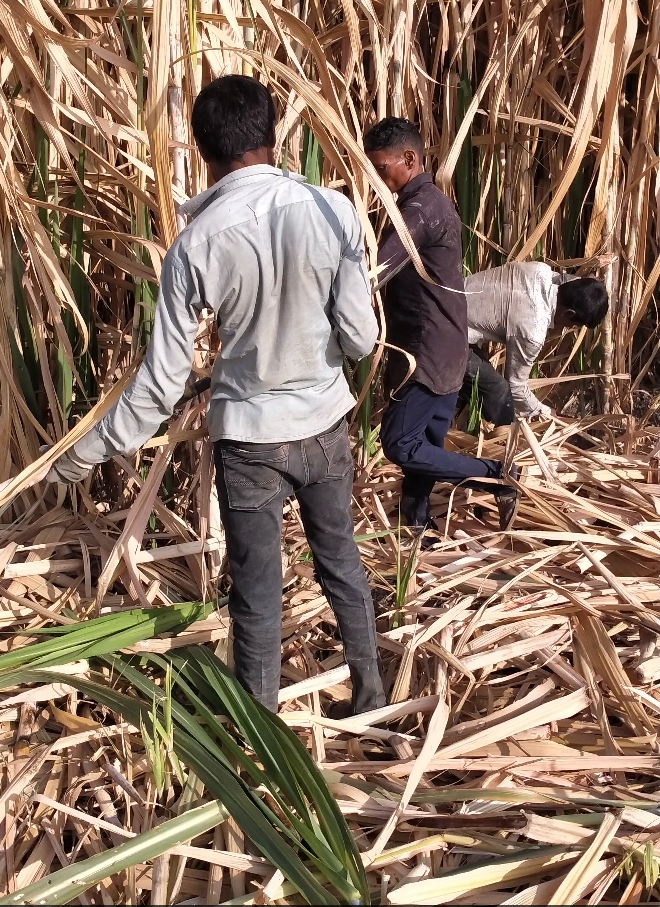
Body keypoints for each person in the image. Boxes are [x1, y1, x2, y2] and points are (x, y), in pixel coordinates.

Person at [47, 75, 385, 717]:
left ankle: (262, 737)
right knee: (341, 560)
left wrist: (78, 456)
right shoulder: (332, 211)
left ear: (204, 150)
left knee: (257, 593)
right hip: (324, 426)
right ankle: (372, 698)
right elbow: (362, 337)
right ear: (272, 134)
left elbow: (159, 385)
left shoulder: (195, 246)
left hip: (251, 442)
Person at [363, 117, 518, 535]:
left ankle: (497, 476)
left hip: (426, 351)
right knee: (426, 446)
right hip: (447, 344)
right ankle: (417, 527)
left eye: (382, 168)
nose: (378, 179)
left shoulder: (419, 212)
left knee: (400, 443)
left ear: (409, 158)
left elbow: (374, 273)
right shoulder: (429, 203)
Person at [461, 263, 609, 425]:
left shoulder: (539, 270)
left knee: (480, 374)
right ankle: (505, 436)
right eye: (572, 324)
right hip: (448, 332)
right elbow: (516, 387)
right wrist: (545, 412)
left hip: (447, 299)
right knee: (498, 391)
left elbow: (564, 281)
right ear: (568, 314)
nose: (568, 327)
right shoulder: (533, 330)